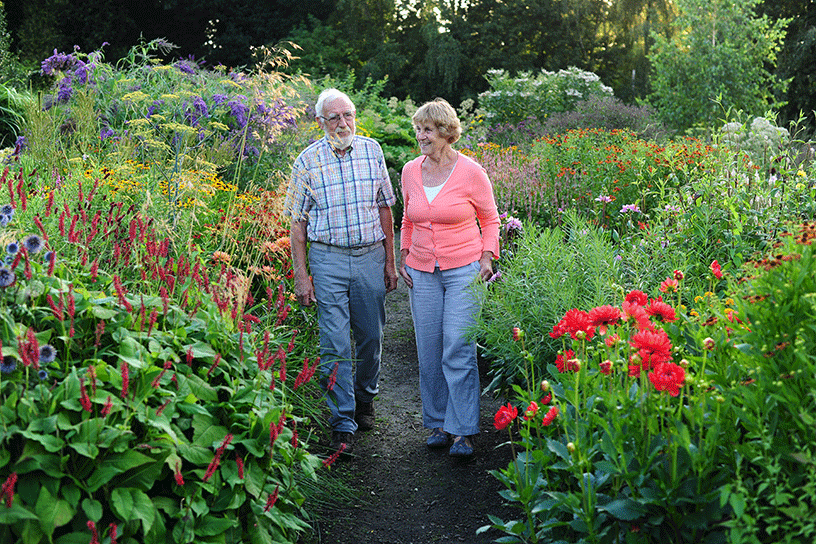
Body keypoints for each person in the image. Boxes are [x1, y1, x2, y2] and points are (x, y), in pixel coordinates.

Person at [285, 88, 398, 454]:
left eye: (347, 115)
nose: (342, 123)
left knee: (371, 337)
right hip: (328, 259)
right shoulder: (307, 162)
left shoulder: (372, 151)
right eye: (333, 117)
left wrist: (390, 261)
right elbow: (297, 224)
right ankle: (342, 421)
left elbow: (385, 209)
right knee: (333, 343)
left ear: (354, 116)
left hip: (369, 257)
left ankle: (365, 396)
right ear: (320, 122)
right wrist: (302, 275)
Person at [398, 98, 500, 457]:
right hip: (422, 271)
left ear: (445, 132)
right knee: (428, 350)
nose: (420, 136)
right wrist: (405, 254)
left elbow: (490, 220)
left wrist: (488, 257)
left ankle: (463, 431)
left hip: (464, 270)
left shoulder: (471, 172)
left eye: (426, 130)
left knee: (457, 345)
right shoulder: (411, 170)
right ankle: (439, 423)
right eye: (418, 130)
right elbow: (408, 219)